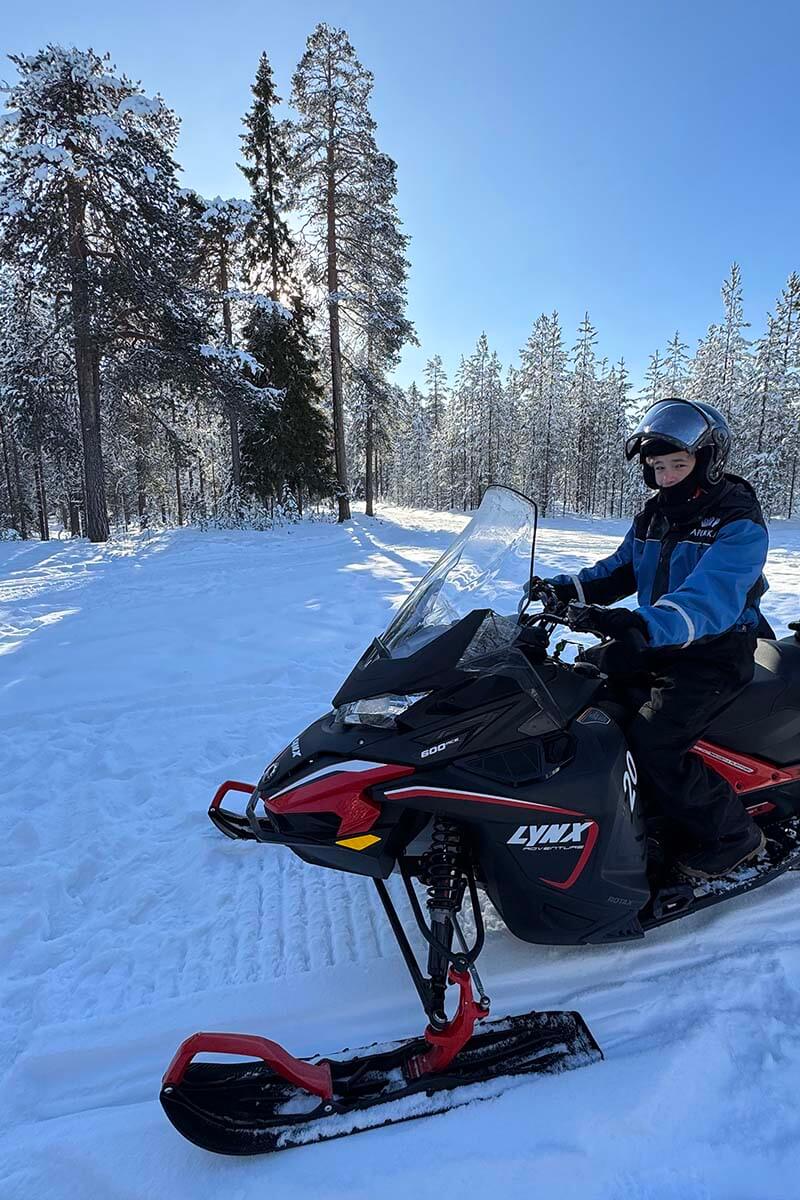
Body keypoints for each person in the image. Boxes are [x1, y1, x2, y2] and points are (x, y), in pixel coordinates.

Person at [532, 397, 771, 880]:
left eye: (677, 465)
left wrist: (640, 625)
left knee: (655, 740)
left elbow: (712, 599)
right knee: (584, 697)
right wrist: (564, 590)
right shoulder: (655, 515)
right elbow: (619, 570)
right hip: (659, 640)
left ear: (707, 462)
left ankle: (731, 836)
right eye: (657, 467)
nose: (666, 478)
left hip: (715, 651)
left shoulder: (737, 520)